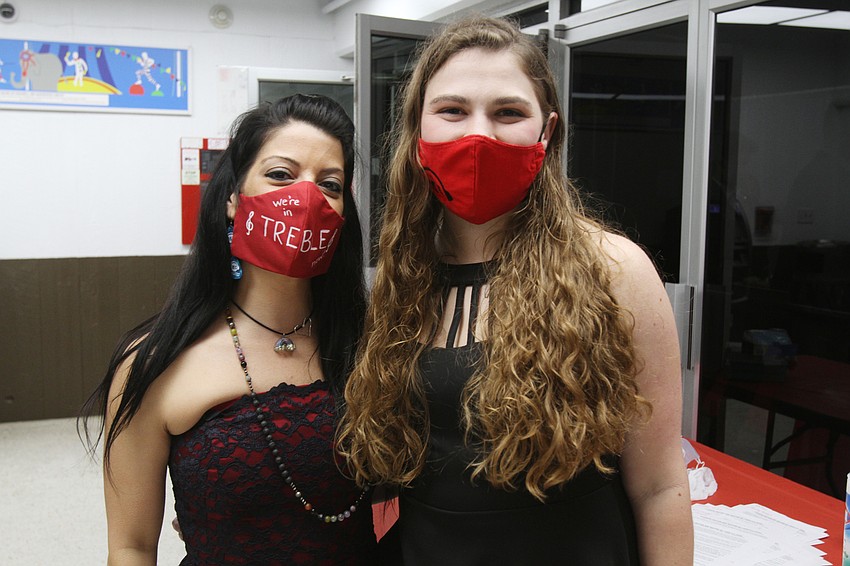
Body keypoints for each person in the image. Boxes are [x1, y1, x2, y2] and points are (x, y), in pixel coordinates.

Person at [338, 16, 694, 565]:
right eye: (452, 110)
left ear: (546, 133)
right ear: (417, 134)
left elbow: (660, 486)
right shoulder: (401, 279)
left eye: (508, 112)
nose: (478, 134)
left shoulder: (614, 270)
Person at [82, 94, 377, 565]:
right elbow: (130, 546)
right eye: (281, 174)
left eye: (330, 184)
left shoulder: (374, 347)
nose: (306, 197)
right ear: (232, 200)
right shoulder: (154, 361)